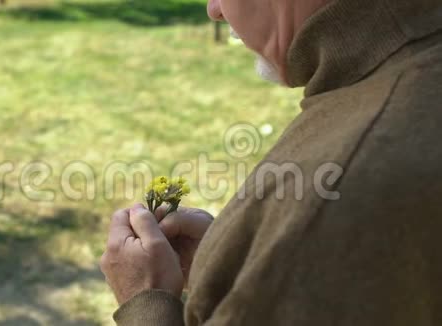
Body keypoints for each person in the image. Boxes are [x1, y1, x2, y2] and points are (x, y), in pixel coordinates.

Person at [100, 0, 442, 324]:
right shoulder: (410, 72)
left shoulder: (331, 195)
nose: (214, 10)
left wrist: (145, 302)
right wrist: (238, 260)